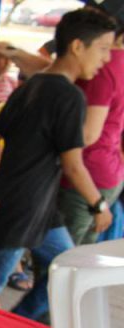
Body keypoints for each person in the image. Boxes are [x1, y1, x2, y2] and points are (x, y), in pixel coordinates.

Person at [0, 7, 116, 321]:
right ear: (77, 46)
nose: (106, 58)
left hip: (36, 206)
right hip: (23, 208)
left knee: (69, 266)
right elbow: (73, 165)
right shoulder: (69, 97)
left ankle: (22, 323)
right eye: (103, 49)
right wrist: (99, 204)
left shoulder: (32, 84)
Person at [58, 21, 124, 246]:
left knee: (64, 261)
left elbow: (87, 135)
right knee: (78, 258)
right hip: (107, 171)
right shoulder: (117, 64)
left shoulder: (103, 69)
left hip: (87, 175)